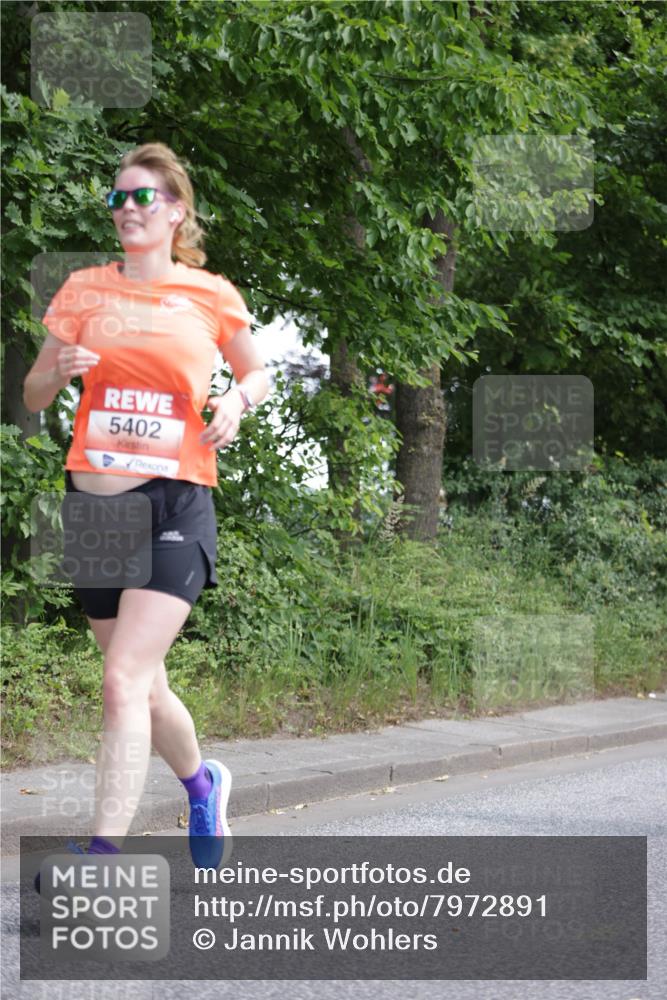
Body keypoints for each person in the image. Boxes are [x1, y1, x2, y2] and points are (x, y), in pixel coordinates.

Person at [23, 142, 269, 878]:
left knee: (122, 680)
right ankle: (203, 784)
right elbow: (35, 394)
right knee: (144, 682)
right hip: (96, 509)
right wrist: (55, 369)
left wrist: (234, 398)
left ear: (176, 211)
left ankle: (102, 854)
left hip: (174, 501)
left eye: (143, 198)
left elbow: (257, 374)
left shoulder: (210, 294)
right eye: (118, 199)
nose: (128, 209)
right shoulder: (83, 290)